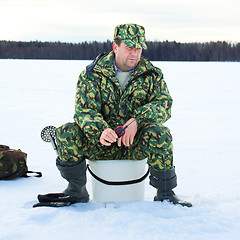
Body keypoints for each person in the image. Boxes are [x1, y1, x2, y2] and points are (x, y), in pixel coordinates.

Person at [35, 24, 192, 208]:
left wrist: (137, 120)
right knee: (66, 132)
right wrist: (100, 131)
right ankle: (76, 190)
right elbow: (84, 111)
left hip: (133, 143)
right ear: (115, 47)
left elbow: (164, 104)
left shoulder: (152, 75)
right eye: (129, 47)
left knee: (160, 133)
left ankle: (165, 193)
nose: (134, 53)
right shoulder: (92, 74)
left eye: (139, 48)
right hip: (100, 144)